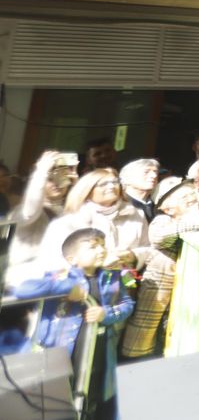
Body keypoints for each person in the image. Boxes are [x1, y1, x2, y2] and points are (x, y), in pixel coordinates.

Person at [11, 228, 133, 417]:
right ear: (71, 259)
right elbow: (23, 290)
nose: (101, 250)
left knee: (90, 393)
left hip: (97, 349)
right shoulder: (60, 275)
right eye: (92, 247)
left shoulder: (113, 277)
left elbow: (127, 304)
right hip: (59, 350)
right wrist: (66, 287)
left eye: (102, 245)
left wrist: (106, 313)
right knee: (55, 395)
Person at [120, 178, 199, 360]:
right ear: (168, 208)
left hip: (186, 298)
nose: (190, 197)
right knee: (144, 342)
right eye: (182, 197)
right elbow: (160, 237)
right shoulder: (163, 221)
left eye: (191, 193)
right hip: (158, 292)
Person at [40, 168, 151, 273]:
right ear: (88, 191)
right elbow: (53, 259)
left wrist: (133, 256)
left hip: (125, 285)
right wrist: (96, 265)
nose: (111, 186)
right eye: (103, 184)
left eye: (115, 182)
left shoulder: (136, 215)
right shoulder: (69, 221)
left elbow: (149, 248)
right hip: (82, 286)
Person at [5, 150, 78, 285]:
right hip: (24, 283)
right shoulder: (22, 211)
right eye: (50, 179)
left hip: (56, 283)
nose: (56, 183)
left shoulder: (67, 213)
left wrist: (76, 186)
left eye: (62, 177)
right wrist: (41, 172)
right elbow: (30, 210)